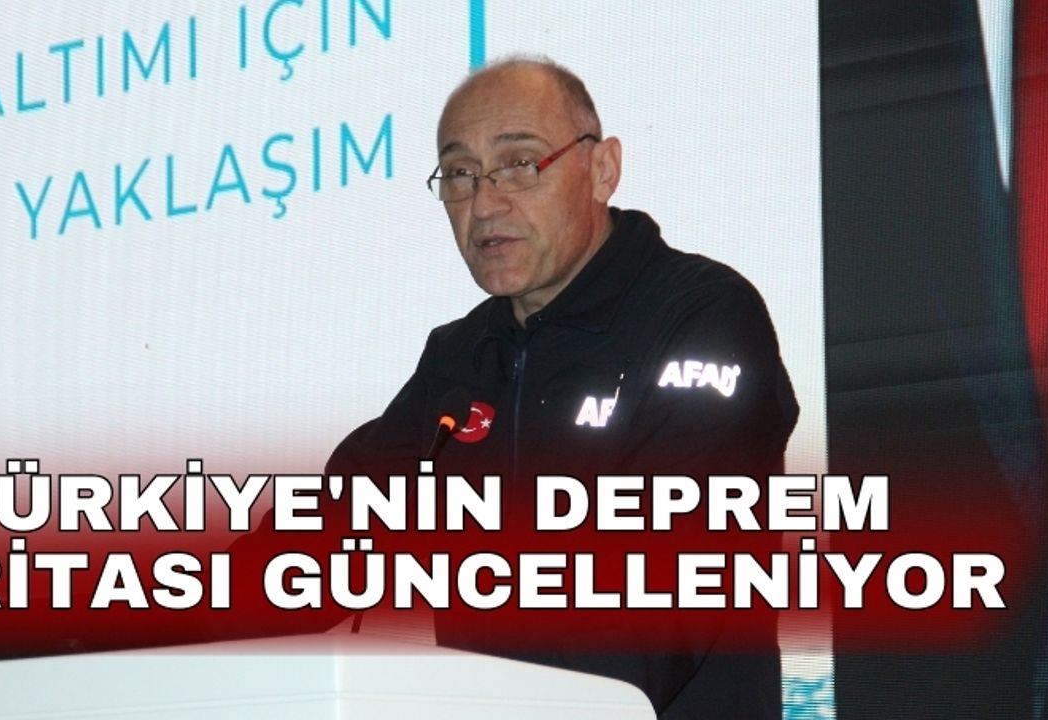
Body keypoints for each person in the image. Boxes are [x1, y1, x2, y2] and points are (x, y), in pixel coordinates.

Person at [322, 57, 800, 718]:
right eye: (460, 174)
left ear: (602, 169)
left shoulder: (700, 317)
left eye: (520, 164)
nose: (484, 203)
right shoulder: (460, 360)